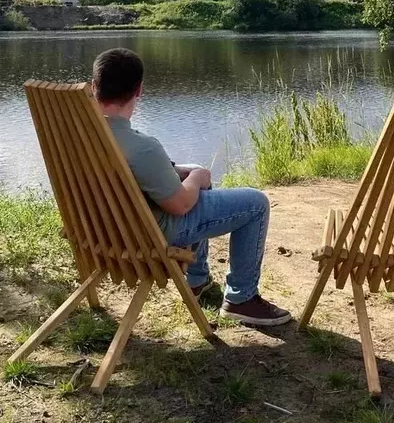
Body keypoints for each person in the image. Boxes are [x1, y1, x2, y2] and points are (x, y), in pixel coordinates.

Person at [92, 47, 292, 327]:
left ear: (94, 86)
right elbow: (179, 204)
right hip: (151, 233)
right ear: (139, 90)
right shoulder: (142, 147)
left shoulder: (79, 136)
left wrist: (182, 171)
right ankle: (241, 299)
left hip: (99, 232)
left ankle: (197, 281)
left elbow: (135, 172)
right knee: (256, 203)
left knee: (195, 177)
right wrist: (197, 177)